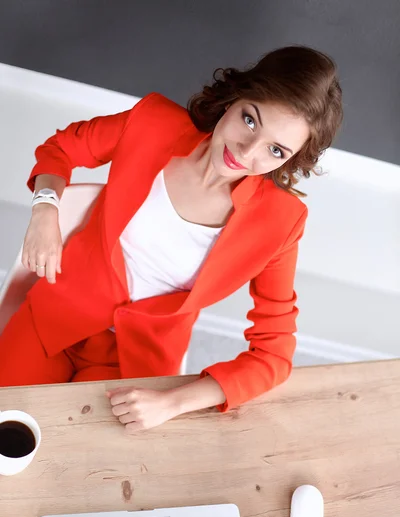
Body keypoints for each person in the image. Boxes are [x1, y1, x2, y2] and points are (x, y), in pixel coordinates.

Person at [0, 46, 343, 430]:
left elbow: (273, 355)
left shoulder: (281, 223)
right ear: (235, 97)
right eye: (250, 120)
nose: (247, 152)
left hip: (136, 369)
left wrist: (174, 402)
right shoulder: (152, 122)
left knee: (85, 471)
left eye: (275, 150)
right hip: (54, 317)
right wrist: (46, 209)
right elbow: (62, 147)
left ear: (290, 162)